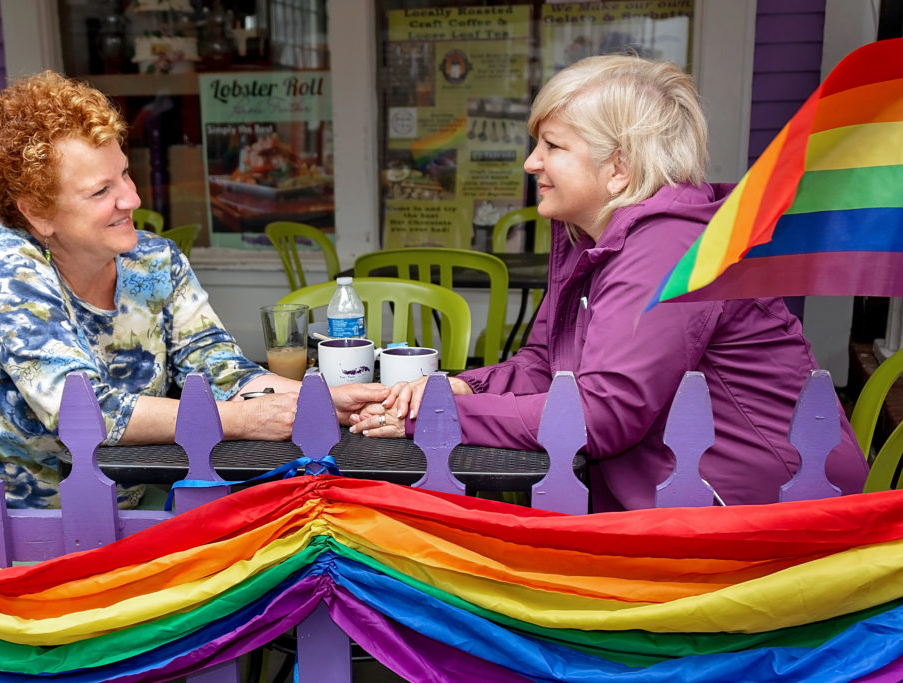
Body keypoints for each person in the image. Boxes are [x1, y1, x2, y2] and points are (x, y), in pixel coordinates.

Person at [349, 55, 870, 511]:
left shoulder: (669, 246)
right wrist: (462, 386)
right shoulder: (593, 237)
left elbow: (601, 415)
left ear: (619, 168)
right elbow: (541, 365)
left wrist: (440, 414)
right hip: (682, 502)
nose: (531, 162)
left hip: (759, 515)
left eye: (552, 145)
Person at [0, 71, 388, 509]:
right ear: (37, 212)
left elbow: (218, 368)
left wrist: (317, 398)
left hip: (111, 502)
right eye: (100, 191)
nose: (131, 198)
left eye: (125, 174)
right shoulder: (5, 274)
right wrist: (246, 419)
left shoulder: (152, 259)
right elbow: (87, 412)